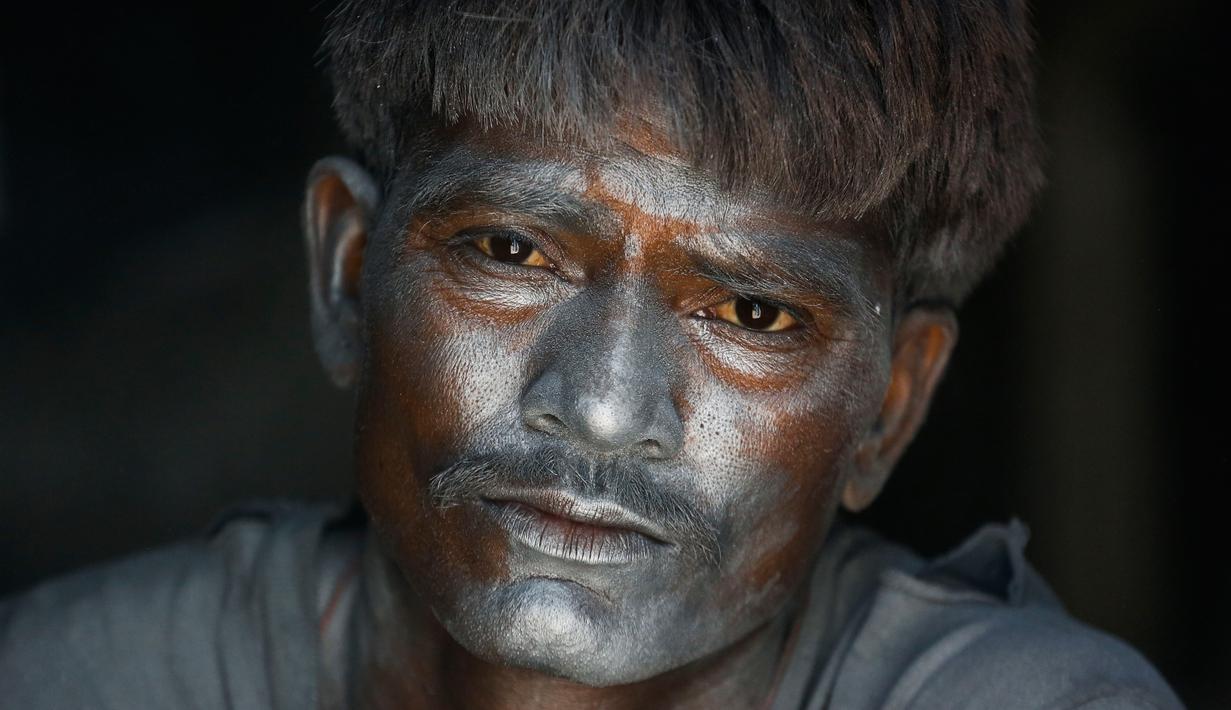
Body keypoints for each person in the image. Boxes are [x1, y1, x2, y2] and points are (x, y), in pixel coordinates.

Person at [0, 1, 1184, 707]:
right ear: (349, 275)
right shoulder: (83, 678)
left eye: (754, 316)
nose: (606, 407)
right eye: (510, 248)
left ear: (888, 406)